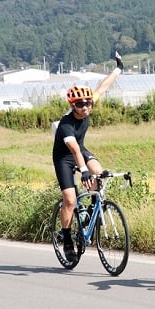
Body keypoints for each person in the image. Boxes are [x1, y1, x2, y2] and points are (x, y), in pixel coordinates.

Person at [52, 52, 124, 262]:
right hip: (64, 158)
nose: (85, 108)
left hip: (81, 150)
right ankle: (67, 239)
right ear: (72, 105)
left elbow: (103, 87)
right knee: (70, 199)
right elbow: (73, 151)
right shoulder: (66, 125)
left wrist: (119, 68)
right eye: (80, 105)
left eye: (88, 104)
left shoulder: (88, 106)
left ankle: (91, 211)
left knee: (100, 174)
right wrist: (83, 171)